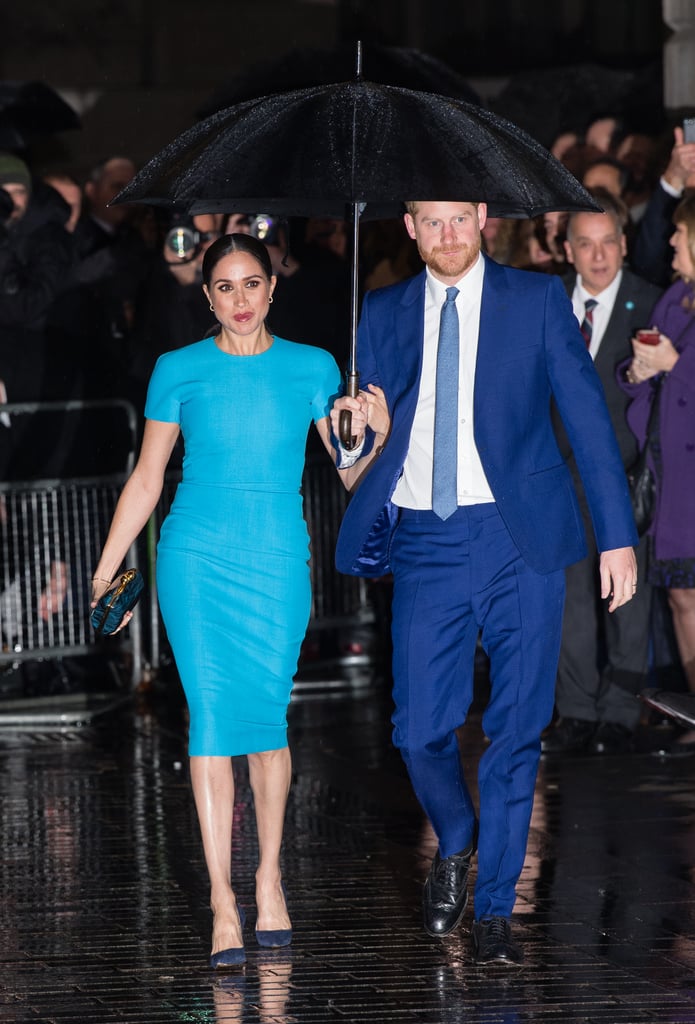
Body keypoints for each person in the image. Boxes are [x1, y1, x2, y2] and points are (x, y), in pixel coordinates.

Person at [330, 200, 638, 966]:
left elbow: (590, 422)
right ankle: (457, 836)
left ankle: (496, 906)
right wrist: (358, 429)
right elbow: (358, 450)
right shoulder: (381, 310)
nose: (446, 236)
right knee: (417, 730)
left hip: (518, 537)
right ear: (407, 227)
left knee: (515, 728)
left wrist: (616, 538)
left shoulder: (535, 300)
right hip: (425, 540)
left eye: (458, 221)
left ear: (483, 219)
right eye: (430, 223)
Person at [90, 233, 352, 968]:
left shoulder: (313, 368)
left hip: (275, 558)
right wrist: (106, 570)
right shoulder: (178, 369)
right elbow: (147, 479)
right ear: (206, 297)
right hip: (195, 559)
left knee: (266, 723)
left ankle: (269, 876)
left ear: (274, 288)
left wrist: (369, 436)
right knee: (209, 721)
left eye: (251, 284)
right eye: (225, 287)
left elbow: (350, 471)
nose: (239, 300)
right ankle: (220, 900)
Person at [543, 190, 663, 756]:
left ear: (622, 244)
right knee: (568, 598)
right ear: (567, 249)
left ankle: (621, 709)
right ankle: (576, 710)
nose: (598, 256)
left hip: (625, 475)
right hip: (558, 478)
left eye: (607, 242)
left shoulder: (652, 302)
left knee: (628, 601)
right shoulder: (545, 302)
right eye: (585, 244)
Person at [619, 193, 695, 755]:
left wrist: (675, 365)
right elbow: (642, 372)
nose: (671, 240)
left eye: (681, 232)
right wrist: (640, 368)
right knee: (681, 599)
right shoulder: (676, 297)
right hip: (675, 480)